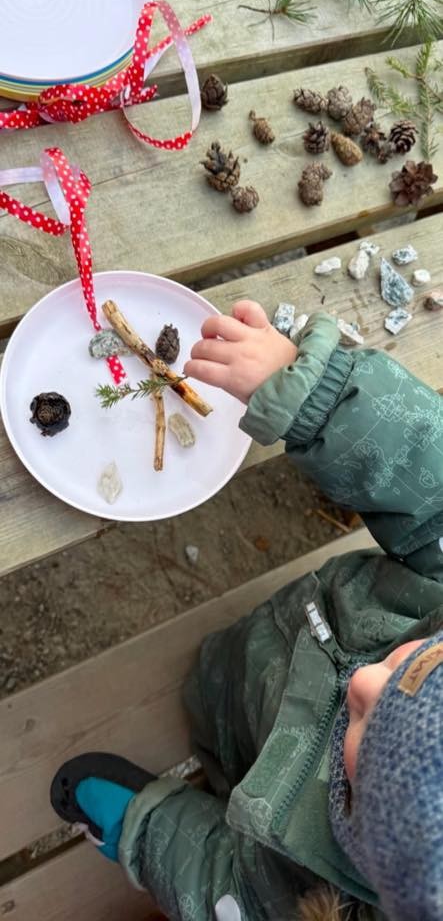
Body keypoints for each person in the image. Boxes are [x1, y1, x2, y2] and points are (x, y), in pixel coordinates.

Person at [51, 304, 443, 921]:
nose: (367, 680)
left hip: (264, 820)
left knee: (228, 801)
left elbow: (224, 889)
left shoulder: (324, 900)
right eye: (420, 668)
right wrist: (313, 396)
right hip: (274, 649)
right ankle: (219, 692)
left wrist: (146, 828)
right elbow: (431, 477)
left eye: (372, 735)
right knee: (221, 674)